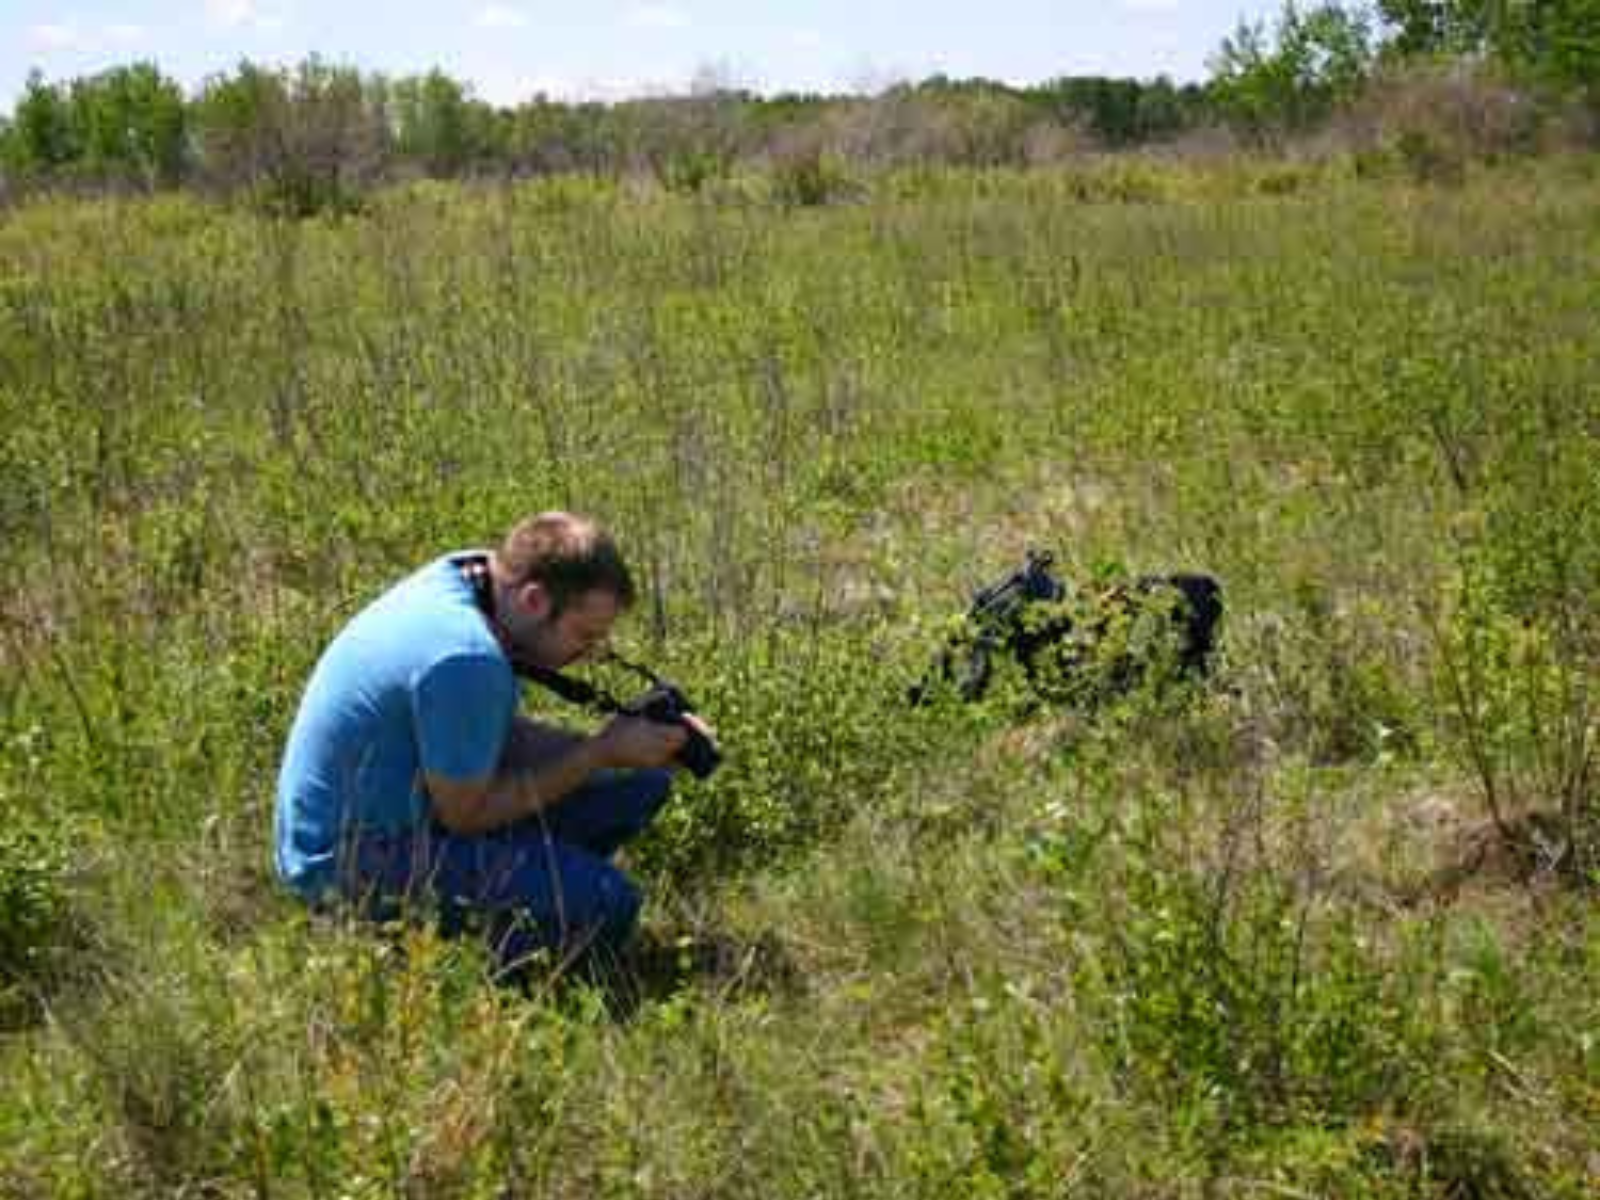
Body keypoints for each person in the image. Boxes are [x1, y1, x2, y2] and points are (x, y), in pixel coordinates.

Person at [273, 511, 710, 973]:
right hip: (348, 862)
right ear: (535, 600)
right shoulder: (466, 657)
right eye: (584, 635)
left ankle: (533, 887)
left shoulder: (469, 579)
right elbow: (465, 814)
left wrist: (629, 750)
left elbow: (492, 736)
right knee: (608, 902)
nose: (589, 654)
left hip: (392, 818)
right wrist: (599, 752)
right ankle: (484, 968)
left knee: (637, 785)